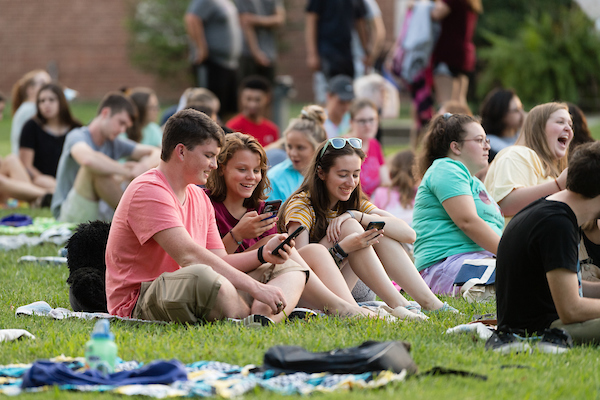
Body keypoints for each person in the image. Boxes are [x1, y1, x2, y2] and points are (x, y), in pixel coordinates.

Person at [105, 109, 309, 324]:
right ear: (181, 152)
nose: (214, 164)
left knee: (290, 265)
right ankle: (251, 316)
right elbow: (188, 255)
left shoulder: (198, 196)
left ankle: (261, 320)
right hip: (140, 298)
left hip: (199, 287)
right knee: (204, 276)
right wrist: (255, 287)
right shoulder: (149, 189)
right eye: (209, 156)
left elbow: (221, 260)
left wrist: (262, 257)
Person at [279, 137, 458, 318]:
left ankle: (428, 302)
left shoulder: (352, 202)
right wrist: (343, 249)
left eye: (355, 174)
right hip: (313, 295)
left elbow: (409, 234)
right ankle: (398, 303)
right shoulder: (302, 205)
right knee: (350, 227)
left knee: (377, 228)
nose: (350, 182)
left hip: (358, 286)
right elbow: (300, 266)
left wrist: (356, 215)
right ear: (321, 173)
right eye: (342, 175)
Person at [206, 132, 376, 317]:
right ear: (221, 168)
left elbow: (277, 265)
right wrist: (237, 235)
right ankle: (345, 308)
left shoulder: (262, 209)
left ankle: (353, 307)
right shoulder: (206, 203)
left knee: (304, 248)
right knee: (279, 243)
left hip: (269, 283)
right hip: (229, 283)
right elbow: (205, 260)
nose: (251, 177)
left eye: (256, 170)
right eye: (242, 169)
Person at [494, 141, 600, 345]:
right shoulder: (557, 225)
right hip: (541, 329)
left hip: (540, 320)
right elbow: (571, 310)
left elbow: (568, 289)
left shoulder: (551, 210)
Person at [412, 113, 504, 294]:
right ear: (456, 147)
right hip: (446, 264)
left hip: (478, 261)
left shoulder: (474, 181)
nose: (487, 146)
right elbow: (467, 221)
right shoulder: (446, 168)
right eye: (479, 140)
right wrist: (512, 254)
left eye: (487, 140)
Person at [51, 92, 160, 223]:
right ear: (105, 113)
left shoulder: (113, 142)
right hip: (68, 214)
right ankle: (138, 221)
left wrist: (144, 166)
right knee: (94, 169)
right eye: (121, 123)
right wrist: (126, 171)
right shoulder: (77, 136)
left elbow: (158, 153)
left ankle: (144, 218)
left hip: (100, 212)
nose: (122, 130)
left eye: (126, 126)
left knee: (147, 169)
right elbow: (88, 160)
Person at [484, 102, 572, 225]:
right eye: (560, 122)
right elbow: (506, 204)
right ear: (539, 127)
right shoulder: (518, 154)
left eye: (570, 124)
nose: (568, 128)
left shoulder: (549, 172)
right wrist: (558, 185)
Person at [184, 0, 242, 120]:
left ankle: (226, 138)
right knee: (208, 109)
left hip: (229, 65)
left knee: (229, 110)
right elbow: (192, 19)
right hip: (212, 63)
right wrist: (201, 48)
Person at [19, 83, 82, 192]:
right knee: (41, 181)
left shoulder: (76, 128)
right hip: (39, 181)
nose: (46, 104)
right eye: (42, 101)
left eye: (51, 100)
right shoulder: (31, 126)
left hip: (71, 182)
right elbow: (26, 165)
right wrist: (44, 179)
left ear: (61, 102)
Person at [305, 0, 367, 103]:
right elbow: (311, 21)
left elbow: (360, 23)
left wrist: (365, 51)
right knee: (327, 94)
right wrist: (312, 54)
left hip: (348, 54)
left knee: (348, 94)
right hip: (326, 52)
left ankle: (345, 119)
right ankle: (325, 118)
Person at [266, 105, 327, 202]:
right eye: (289, 146)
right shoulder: (274, 178)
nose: (293, 153)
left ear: (318, 148)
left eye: (300, 148)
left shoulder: (328, 174)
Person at [431, 0, 482, 105]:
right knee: (460, 103)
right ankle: (469, 122)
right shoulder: (472, 2)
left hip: (448, 54)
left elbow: (435, 14)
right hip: (465, 55)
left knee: (446, 103)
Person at [347, 98, 390, 197]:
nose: (368, 125)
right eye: (362, 121)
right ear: (351, 122)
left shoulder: (375, 144)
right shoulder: (344, 146)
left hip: (375, 203)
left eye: (371, 120)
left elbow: (386, 182)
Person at [235, 0, 285, 84]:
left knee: (267, 90)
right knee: (248, 90)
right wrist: (256, 53)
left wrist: (255, 20)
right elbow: (246, 24)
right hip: (248, 54)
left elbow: (280, 19)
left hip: (269, 54)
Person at [226, 76, 278, 147]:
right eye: (248, 99)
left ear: (267, 99)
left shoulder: (272, 130)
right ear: (241, 98)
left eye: (257, 100)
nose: (252, 104)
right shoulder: (233, 127)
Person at [10, 69, 52, 155]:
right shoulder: (30, 109)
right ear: (30, 89)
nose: (48, 87)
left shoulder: (28, 108)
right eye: (43, 84)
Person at [371, 150, 417, 227]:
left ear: (390, 172)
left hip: (388, 235)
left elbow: (370, 219)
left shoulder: (379, 193)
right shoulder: (421, 193)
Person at [480, 88, 525, 161]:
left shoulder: (518, 135)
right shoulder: (489, 141)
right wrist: (526, 129)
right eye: (516, 110)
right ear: (501, 114)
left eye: (521, 108)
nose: (522, 114)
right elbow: (514, 156)